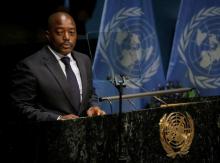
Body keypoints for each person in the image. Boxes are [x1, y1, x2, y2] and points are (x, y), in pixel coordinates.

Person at [10, 11, 105, 122]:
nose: (67, 37)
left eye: (71, 32)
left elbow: (90, 94)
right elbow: (19, 107)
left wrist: (93, 107)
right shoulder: (29, 66)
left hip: (84, 133)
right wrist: (58, 119)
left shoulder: (84, 60)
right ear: (48, 35)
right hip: (50, 135)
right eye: (60, 32)